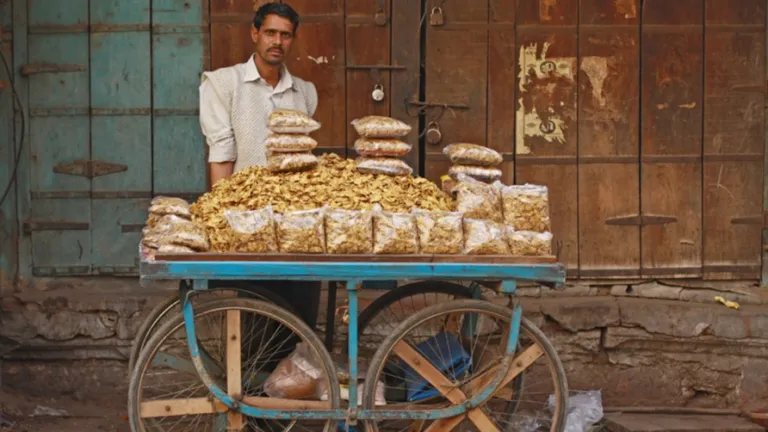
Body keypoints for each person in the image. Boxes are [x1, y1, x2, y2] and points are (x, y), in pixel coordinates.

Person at [198, 2, 321, 330]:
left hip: (295, 222)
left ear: (293, 40)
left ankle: (295, 376)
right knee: (253, 311)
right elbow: (221, 153)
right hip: (246, 218)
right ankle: (249, 380)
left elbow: (303, 161)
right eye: (270, 33)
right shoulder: (224, 84)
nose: (277, 41)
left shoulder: (305, 93)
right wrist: (220, 223)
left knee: (299, 313)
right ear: (255, 34)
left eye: (285, 35)